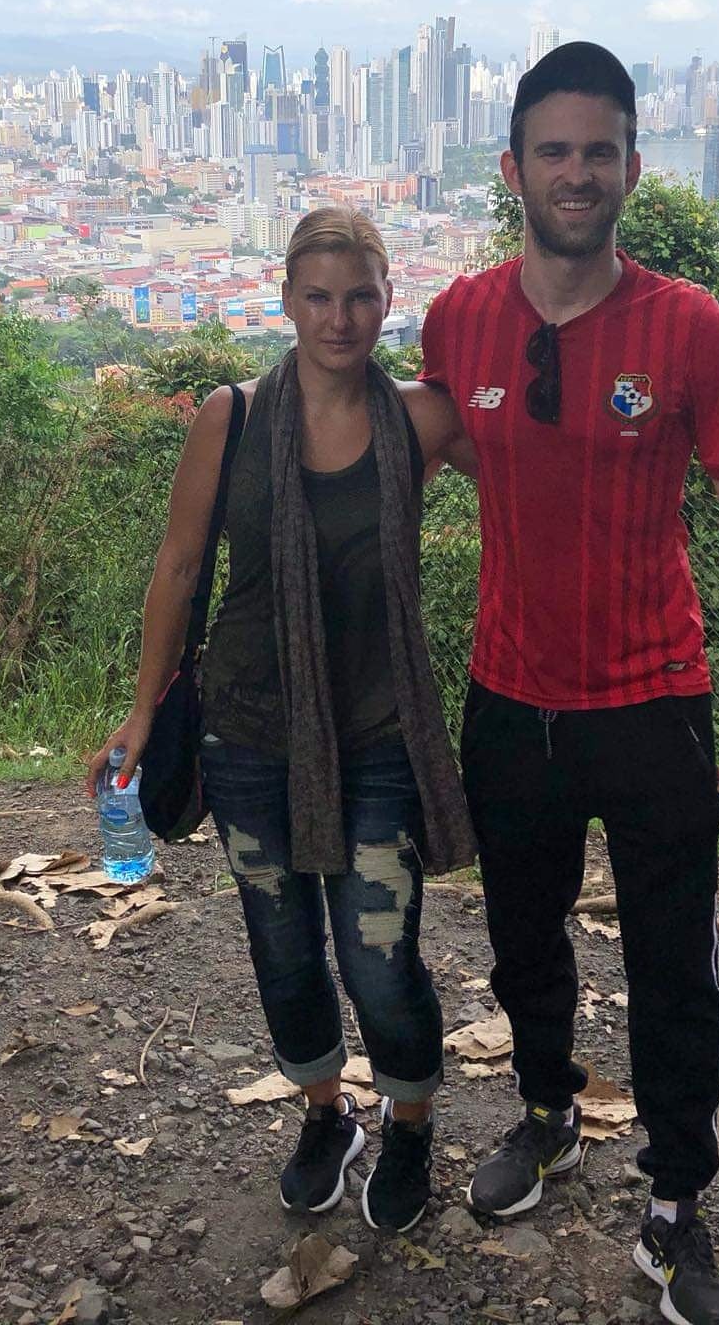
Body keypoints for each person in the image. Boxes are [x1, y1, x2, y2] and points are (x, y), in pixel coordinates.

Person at [420, 42, 719, 1325]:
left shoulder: (687, 325)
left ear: (633, 165)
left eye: (599, 151)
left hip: (654, 704)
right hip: (507, 696)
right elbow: (414, 454)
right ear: (514, 168)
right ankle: (546, 1111)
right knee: (523, 943)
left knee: (674, 966)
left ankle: (679, 1195)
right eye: (552, 151)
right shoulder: (460, 317)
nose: (576, 174)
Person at [89, 206, 475, 1235]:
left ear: (389, 302)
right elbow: (179, 567)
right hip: (251, 728)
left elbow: (537, 481)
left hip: (382, 733)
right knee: (284, 950)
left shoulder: (420, 419)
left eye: (359, 296)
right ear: (287, 298)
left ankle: (411, 1125)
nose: (338, 318)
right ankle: (324, 1114)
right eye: (319, 296)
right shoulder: (237, 416)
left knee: (381, 962)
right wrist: (140, 710)